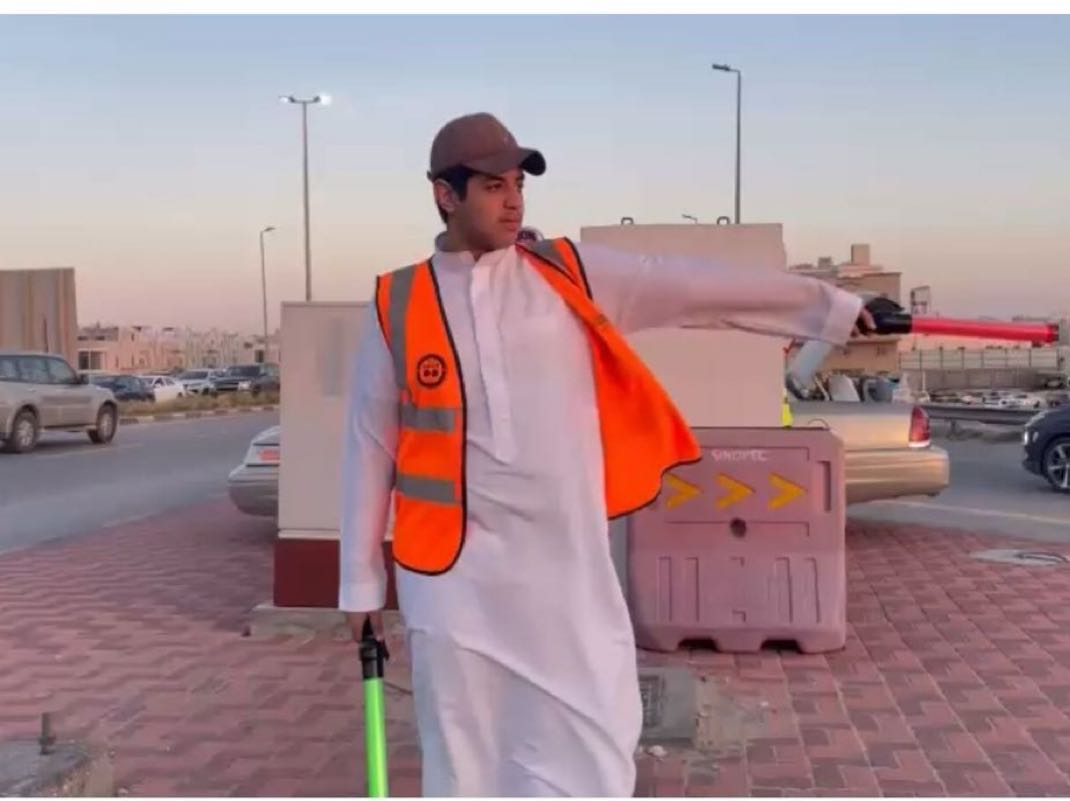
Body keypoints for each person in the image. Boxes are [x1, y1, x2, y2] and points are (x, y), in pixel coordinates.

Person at [339, 111, 875, 797]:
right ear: (446, 194)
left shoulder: (566, 273)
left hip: (564, 566)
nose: (513, 201)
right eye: (495, 186)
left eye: (519, 186)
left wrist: (828, 308)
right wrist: (358, 582)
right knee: (463, 748)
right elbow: (370, 444)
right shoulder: (396, 301)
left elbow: (695, 287)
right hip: (450, 578)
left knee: (590, 736)